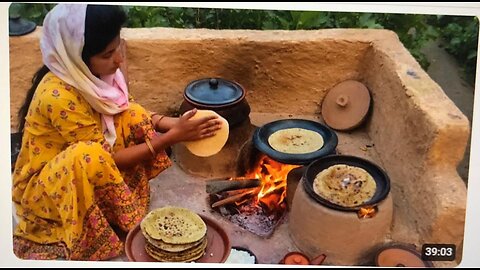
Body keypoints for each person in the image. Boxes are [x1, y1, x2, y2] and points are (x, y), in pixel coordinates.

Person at [12, 4, 222, 261]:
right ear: (77, 56)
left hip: (87, 165)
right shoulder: (57, 96)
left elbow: (127, 110)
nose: (118, 60)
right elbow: (104, 159)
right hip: (47, 189)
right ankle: (92, 231)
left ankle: (112, 207)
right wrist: (171, 138)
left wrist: (176, 124)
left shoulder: (93, 76)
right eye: (108, 54)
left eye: (118, 47)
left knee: (130, 114)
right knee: (87, 155)